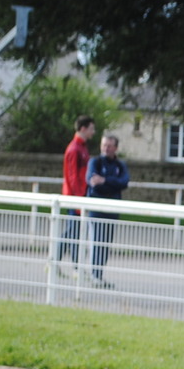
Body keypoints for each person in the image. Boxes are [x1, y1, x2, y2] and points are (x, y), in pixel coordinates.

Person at [84, 134, 130, 288]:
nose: (106, 148)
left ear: (115, 148)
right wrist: (110, 185)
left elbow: (123, 182)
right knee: (96, 240)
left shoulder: (120, 165)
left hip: (112, 208)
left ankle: (99, 274)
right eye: (104, 145)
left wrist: (105, 180)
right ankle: (94, 274)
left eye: (109, 146)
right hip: (96, 208)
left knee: (105, 242)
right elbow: (91, 181)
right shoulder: (95, 162)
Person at [56, 115, 95, 276]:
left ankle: (56, 261)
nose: (93, 132)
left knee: (72, 231)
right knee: (74, 232)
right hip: (74, 197)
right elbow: (72, 177)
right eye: (91, 128)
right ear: (83, 129)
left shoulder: (82, 148)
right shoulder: (75, 149)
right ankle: (75, 267)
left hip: (78, 196)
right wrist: (79, 199)